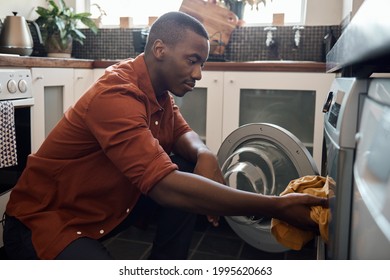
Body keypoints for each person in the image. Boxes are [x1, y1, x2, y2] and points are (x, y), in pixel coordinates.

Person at [3, 11, 327, 260]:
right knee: (176, 185)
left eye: (202, 63)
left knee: (186, 167)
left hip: (100, 208)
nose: (199, 74)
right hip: (45, 221)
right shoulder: (117, 93)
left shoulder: (160, 93)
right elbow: (164, 187)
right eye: (192, 61)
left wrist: (206, 155)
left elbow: (185, 134)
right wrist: (276, 206)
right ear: (160, 49)